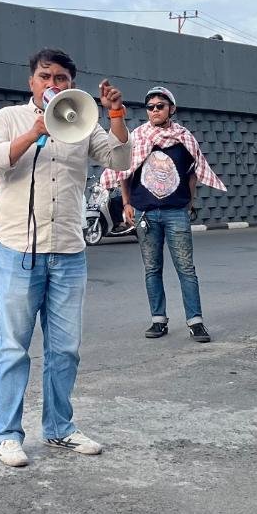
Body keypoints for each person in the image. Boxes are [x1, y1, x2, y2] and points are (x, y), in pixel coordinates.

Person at [0, 48, 131, 468]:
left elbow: (120, 159)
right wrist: (33, 132)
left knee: (65, 349)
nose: (53, 84)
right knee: (13, 347)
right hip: (18, 250)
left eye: (61, 78)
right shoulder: (9, 118)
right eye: (45, 77)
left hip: (67, 251)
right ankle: (7, 435)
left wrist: (115, 115)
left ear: (72, 83)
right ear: (32, 81)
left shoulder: (81, 119)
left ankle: (60, 428)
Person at [101, 86, 226, 342]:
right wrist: (126, 203)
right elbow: (125, 171)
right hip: (145, 213)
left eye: (160, 106)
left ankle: (196, 321)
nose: (155, 110)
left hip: (175, 212)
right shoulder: (136, 138)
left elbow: (193, 173)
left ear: (172, 108)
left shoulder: (183, 138)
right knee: (152, 269)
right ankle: (158, 320)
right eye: (150, 107)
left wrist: (189, 202)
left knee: (186, 269)